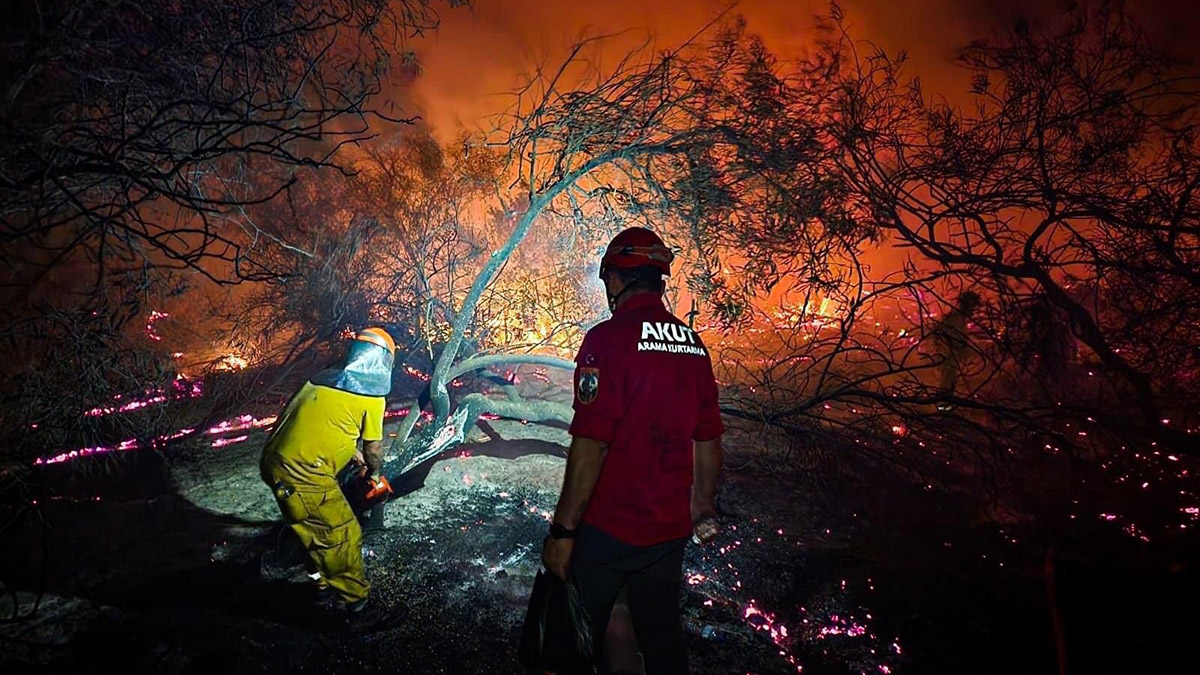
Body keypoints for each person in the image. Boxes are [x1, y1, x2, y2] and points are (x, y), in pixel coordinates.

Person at [541, 227, 724, 675]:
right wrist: (700, 506)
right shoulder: (693, 346)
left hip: (609, 530)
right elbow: (709, 439)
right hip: (669, 533)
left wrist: (563, 533)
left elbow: (591, 443)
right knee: (661, 635)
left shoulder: (607, 340)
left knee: (572, 639)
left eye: (607, 281)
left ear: (618, 278)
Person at [260, 327, 396, 624]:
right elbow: (374, 451)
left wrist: (352, 454)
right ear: (385, 361)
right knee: (342, 535)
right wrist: (372, 472)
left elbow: (325, 427)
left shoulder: (320, 381)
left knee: (310, 531)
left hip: (275, 462)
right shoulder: (372, 397)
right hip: (304, 474)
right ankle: (359, 609)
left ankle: (320, 587)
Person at [932, 290, 980, 411]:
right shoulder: (955, 319)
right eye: (972, 307)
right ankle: (943, 411)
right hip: (947, 357)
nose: (973, 312)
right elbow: (950, 339)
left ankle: (945, 409)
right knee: (946, 384)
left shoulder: (957, 319)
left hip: (950, 358)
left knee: (949, 383)